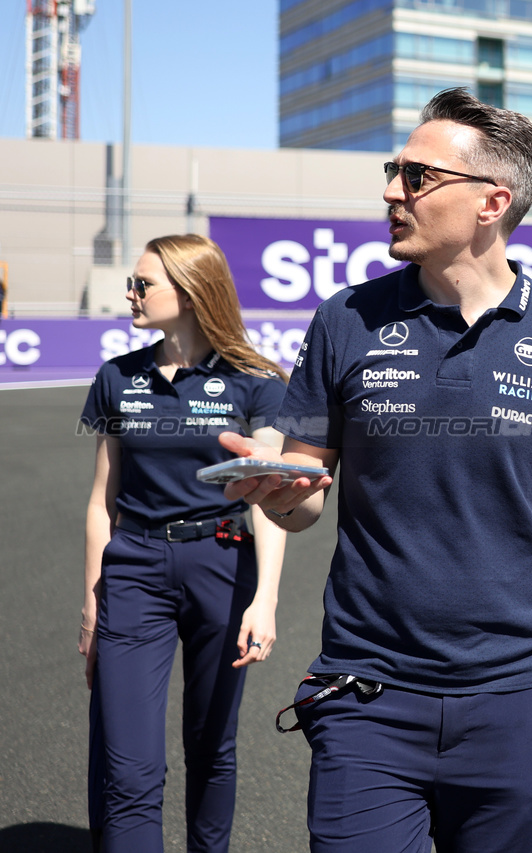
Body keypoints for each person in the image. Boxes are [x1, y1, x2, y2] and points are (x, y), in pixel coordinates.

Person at [218, 87, 532, 853]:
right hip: (366, 693)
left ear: (493, 201)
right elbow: (302, 496)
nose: (393, 191)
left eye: (418, 176)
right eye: (395, 171)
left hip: (518, 698)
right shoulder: (345, 319)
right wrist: (281, 494)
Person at [79, 234, 290, 853]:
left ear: (192, 291)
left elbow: (270, 497)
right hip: (134, 569)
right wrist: (93, 597)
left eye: (143, 283)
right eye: (133, 282)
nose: (130, 293)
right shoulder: (116, 377)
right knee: (130, 769)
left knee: (210, 747)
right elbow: (101, 501)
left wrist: (267, 599)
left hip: (222, 566)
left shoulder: (257, 382)